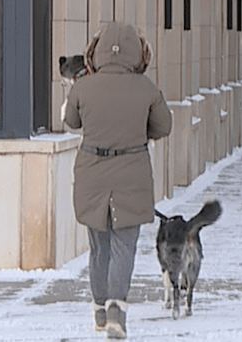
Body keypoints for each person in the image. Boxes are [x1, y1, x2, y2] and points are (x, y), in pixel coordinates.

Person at [63, 22, 172, 339]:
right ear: (138, 53)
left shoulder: (82, 87)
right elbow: (163, 126)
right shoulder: (147, 88)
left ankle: (99, 310)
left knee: (99, 248)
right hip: (132, 171)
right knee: (125, 247)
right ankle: (116, 313)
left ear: (95, 52)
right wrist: (139, 132)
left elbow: (71, 121)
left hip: (92, 172)